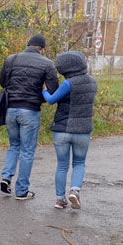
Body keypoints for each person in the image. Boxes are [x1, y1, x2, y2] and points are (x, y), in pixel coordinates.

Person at [0, 34, 59, 200]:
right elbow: (54, 89)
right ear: (41, 48)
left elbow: (2, 82)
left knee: (13, 145)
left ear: (28, 45)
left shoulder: (11, 59)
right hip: (30, 111)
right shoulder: (46, 63)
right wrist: (39, 96)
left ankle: (6, 178)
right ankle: (22, 191)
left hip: (10, 109)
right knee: (27, 151)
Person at [42, 51, 97, 210]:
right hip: (83, 131)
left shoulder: (68, 84)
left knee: (62, 166)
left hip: (62, 129)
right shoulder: (93, 82)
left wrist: (43, 90)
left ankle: (60, 200)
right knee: (79, 163)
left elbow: (51, 100)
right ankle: (75, 191)